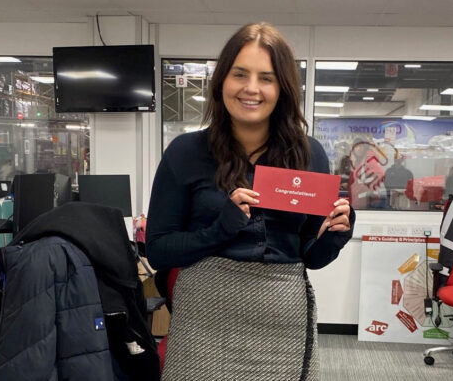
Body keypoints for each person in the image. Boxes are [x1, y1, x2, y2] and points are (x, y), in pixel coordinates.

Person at [146, 22, 355, 381]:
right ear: (222, 81)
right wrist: (220, 229)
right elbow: (160, 251)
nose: (251, 88)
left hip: (282, 321)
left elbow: (310, 257)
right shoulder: (185, 153)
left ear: (283, 89)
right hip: (204, 320)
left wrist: (334, 236)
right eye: (240, 74)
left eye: (266, 78)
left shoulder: (308, 154)